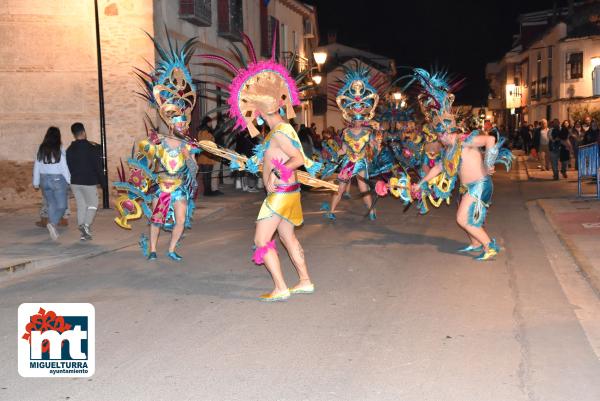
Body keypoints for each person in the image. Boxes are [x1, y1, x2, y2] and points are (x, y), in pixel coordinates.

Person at [197, 32, 327, 301]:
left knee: (261, 240)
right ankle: (304, 280)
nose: (250, 114)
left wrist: (278, 173)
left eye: (253, 109)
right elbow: (269, 158)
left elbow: (298, 159)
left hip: (280, 195)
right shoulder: (279, 130)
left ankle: (280, 287)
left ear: (262, 110)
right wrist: (247, 162)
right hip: (289, 193)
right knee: (288, 238)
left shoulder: (279, 131)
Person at [113, 33, 199, 261]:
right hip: (162, 187)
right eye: (178, 123)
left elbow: (194, 170)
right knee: (157, 220)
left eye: (184, 123)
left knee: (181, 220)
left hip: (179, 188)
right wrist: (147, 147)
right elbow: (142, 158)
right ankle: (152, 249)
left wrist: (188, 156)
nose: (182, 127)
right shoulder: (158, 142)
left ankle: (171, 249)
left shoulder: (187, 145)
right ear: (171, 124)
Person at [322, 64, 381, 221]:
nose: (357, 123)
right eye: (355, 120)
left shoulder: (368, 133)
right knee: (340, 188)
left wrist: (378, 141)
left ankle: (372, 211)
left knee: (363, 188)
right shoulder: (346, 132)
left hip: (360, 161)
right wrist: (332, 154)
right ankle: (332, 211)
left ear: (364, 120)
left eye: (360, 120)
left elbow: (375, 147)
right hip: (348, 162)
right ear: (351, 119)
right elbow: (343, 149)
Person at [66, 122, 103, 240]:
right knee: (93, 204)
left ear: (74, 134)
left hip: (75, 181)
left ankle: (84, 233)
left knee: (81, 205)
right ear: (84, 132)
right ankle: (85, 225)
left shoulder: (69, 149)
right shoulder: (92, 148)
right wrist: (103, 182)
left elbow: (69, 166)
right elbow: (98, 166)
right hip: (88, 181)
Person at [33, 127, 71, 241]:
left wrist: (36, 182)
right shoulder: (59, 149)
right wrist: (70, 181)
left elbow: (37, 166)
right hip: (58, 180)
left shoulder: (41, 149)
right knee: (62, 206)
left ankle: (52, 226)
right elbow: (64, 167)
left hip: (44, 180)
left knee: (51, 204)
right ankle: (53, 223)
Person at [196, 117, 223, 196]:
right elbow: (208, 143)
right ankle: (208, 192)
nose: (211, 124)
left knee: (207, 175)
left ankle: (208, 191)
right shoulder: (205, 132)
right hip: (206, 156)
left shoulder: (201, 131)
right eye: (210, 122)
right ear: (207, 123)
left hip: (203, 156)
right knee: (207, 175)